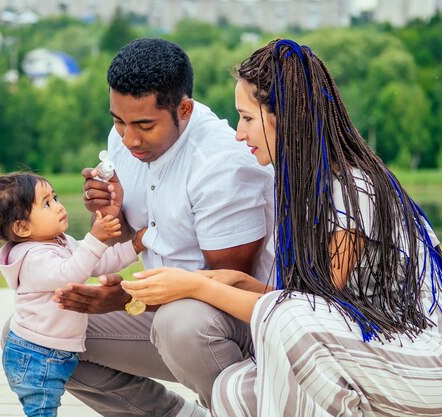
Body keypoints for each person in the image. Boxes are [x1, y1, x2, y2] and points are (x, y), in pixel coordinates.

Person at [122, 39, 442, 417]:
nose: (239, 134)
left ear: (287, 117)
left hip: (418, 360)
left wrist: (196, 284)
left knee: (288, 322)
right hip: (362, 355)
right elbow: (303, 300)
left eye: (247, 118)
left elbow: (305, 312)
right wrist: (234, 282)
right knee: (233, 390)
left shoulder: (355, 188)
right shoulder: (301, 188)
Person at [53, 38, 275, 416]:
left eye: (143, 125)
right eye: (118, 121)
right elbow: (135, 234)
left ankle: (245, 410)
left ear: (184, 110)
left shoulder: (222, 164)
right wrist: (111, 215)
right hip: (159, 304)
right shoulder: (125, 140)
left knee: (181, 326)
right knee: (39, 333)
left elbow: (224, 283)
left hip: (226, 322)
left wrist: (129, 298)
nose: (129, 138)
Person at [0, 171, 145, 417]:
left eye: (56, 197)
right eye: (47, 204)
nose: (59, 207)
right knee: (42, 412)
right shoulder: (32, 257)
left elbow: (97, 262)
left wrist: (134, 245)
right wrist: (96, 238)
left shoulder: (60, 241)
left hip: (53, 351)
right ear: (22, 227)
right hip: (34, 355)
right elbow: (70, 273)